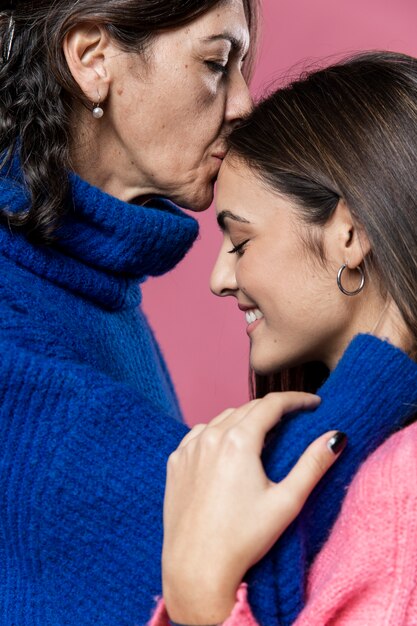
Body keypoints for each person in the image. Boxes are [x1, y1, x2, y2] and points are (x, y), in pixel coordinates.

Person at [0, 0, 262, 623]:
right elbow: (224, 537)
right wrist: (387, 344)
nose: (245, 102)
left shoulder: (100, 284)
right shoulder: (15, 310)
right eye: (216, 62)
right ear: (92, 59)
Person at [152, 51, 417, 626]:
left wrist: (200, 598)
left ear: (350, 235)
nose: (220, 279)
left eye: (241, 242)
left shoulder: (403, 483)